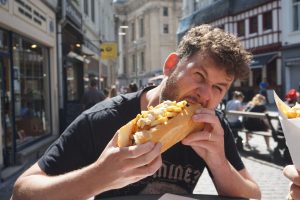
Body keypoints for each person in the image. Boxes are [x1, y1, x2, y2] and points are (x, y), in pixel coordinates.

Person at [11, 25, 261, 200]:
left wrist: (218, 160)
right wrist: (99, 176)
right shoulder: (104, 118)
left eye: (218, 88)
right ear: (171, 65)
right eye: (199, 75)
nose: (205, 94)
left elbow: (252, 193)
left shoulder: (211, 127)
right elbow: (21, 192)